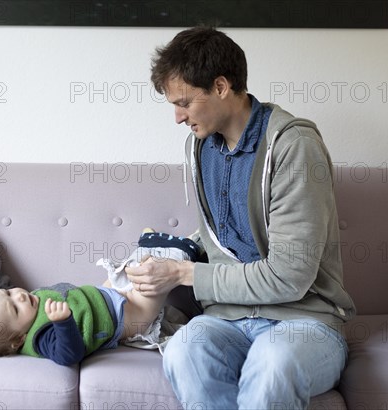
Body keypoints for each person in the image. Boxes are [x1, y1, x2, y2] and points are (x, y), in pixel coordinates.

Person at [126, 26, 357, 409]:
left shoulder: (293, 147)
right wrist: (172, 255)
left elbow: (289, 277)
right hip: (227, 320)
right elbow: (224, 234)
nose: (178, 118)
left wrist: (184, 275)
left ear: (220, 87)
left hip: (304, 321)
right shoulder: (201, 148)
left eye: (184, 102)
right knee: (184, 350)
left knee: (274, 363)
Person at [0, 230, 201, 366]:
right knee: (151, 286)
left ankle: (151, 246)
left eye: (8, 293)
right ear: (18, 340)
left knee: (136, 267)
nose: (19, 296)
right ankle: (179, 255)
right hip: (127, 318)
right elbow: (68, 355)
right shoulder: (42, 337)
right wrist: (62, 323)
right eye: (14, 308)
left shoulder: (31, 306)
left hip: (106, 295)